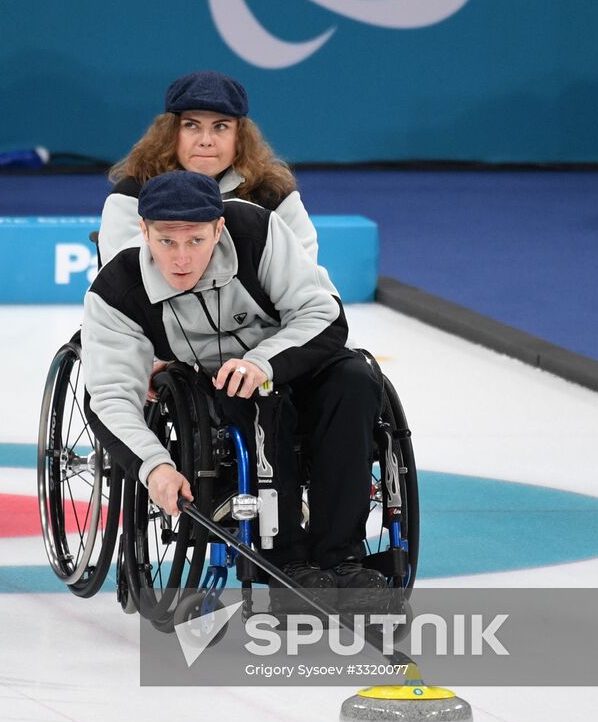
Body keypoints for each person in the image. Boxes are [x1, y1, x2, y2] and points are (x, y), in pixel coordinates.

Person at [82, 170, 385, 591]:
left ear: (218, 228)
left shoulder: (255, 231)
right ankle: (287, 562)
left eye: (195, 241)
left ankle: (343, 558)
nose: (181, 258)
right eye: (167, 241)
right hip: (218, 384)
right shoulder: (118, 288)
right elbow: (109, 395)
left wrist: (262, 362)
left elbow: (323, 313)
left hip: (292, 358)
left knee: (355, 380)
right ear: (144, 231)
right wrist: (155, 468)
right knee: (257, 401)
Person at [99, 70, 319, 266]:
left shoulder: (272, 194)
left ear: (240, 136)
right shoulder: (133, 193)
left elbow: (304, 273)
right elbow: (121, 278)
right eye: (191, 125)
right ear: (170, 133)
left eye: (220, 126)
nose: (205, 140)